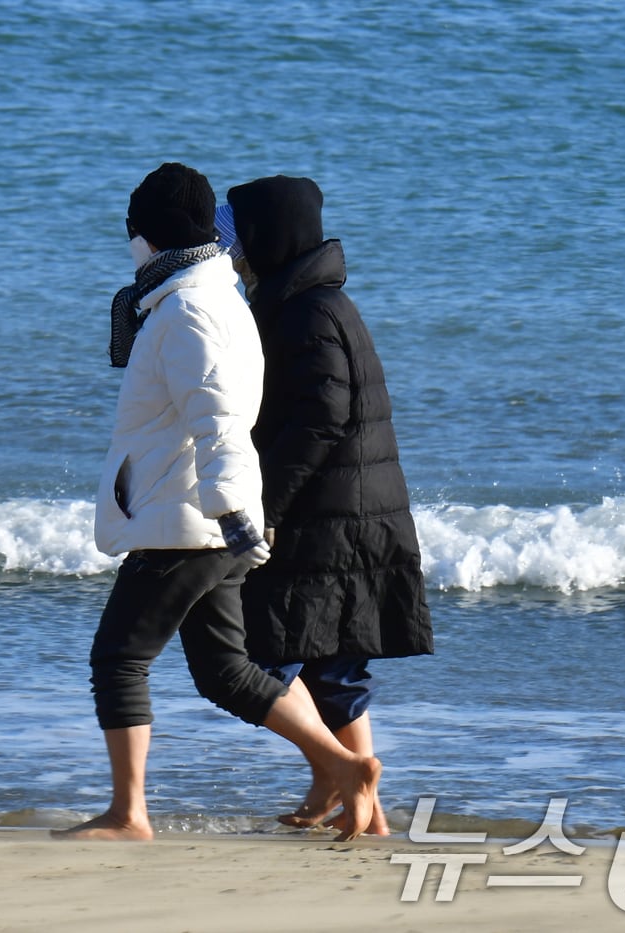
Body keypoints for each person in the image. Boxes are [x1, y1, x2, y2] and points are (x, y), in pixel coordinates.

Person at [53, 162, 381, 842]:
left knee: (118, 657)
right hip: (202, 512)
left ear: (150, 236)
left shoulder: (189, 310)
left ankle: (128, 813)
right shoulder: (207, 298)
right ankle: (345, 767)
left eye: (133, 232)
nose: (130, 244)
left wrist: (234, 512)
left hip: (189, 517)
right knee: (225, 671)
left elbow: (219, 418)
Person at [223, 176, 434, 834]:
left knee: (264, 653)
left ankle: (342, 772)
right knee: (331, 657)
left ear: (269, 236)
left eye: (239, 234)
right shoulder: (309, 301)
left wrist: (269, 506)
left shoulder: (306, 312)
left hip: (328, 515)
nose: (230, 249)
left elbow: (321, 416)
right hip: (349, 509)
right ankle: (352, 792)